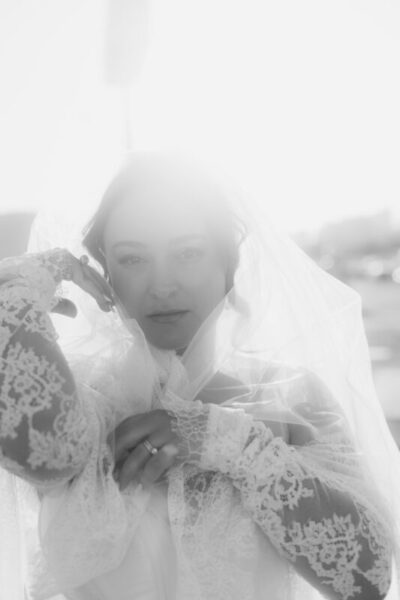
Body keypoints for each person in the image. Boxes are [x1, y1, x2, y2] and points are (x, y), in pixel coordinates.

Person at [0, 153, 399, 600]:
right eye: (132, 259)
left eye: (188, 253)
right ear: (105, 271)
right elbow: (48, 452)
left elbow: (367, 579)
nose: (162, 284)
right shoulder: (78, 396)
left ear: (227, 263)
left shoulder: (292, 396)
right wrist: (21, 288)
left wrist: (229, 443)